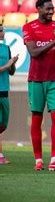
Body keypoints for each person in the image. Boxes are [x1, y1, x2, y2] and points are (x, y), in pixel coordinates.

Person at [22, 0, 55, 171]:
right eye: (47, 9)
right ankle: (38, 160)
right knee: (37, 117)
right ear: (38, 9)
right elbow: (34, 53)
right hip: (36, 79)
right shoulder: (29, 27)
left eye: (52, 9)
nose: (51, 12)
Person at [0, 24, 18, 164]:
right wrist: (7, 64)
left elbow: (11, 72)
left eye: (3, 30)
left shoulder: (6, 48)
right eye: (0, 31)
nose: (3, 33)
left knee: (3, 125)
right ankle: (0, 156)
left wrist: (13, 64)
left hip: (5, 90)